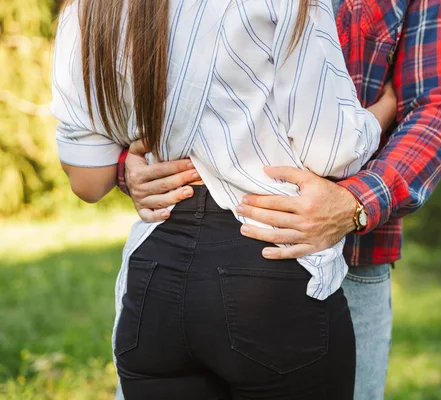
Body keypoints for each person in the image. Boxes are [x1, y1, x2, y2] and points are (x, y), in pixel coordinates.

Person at [117, 0, 441, 399]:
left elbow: (437, 104)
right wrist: (128, 164)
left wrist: (355, 202)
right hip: (178, 247)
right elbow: (125, 63)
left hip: (349, 259)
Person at [52, 0, 399, 398]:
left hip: (154, 280)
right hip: (268, 269)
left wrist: (136, 160)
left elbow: (87, 180)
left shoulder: (87, 10)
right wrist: (381, 112)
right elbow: (331, 150)